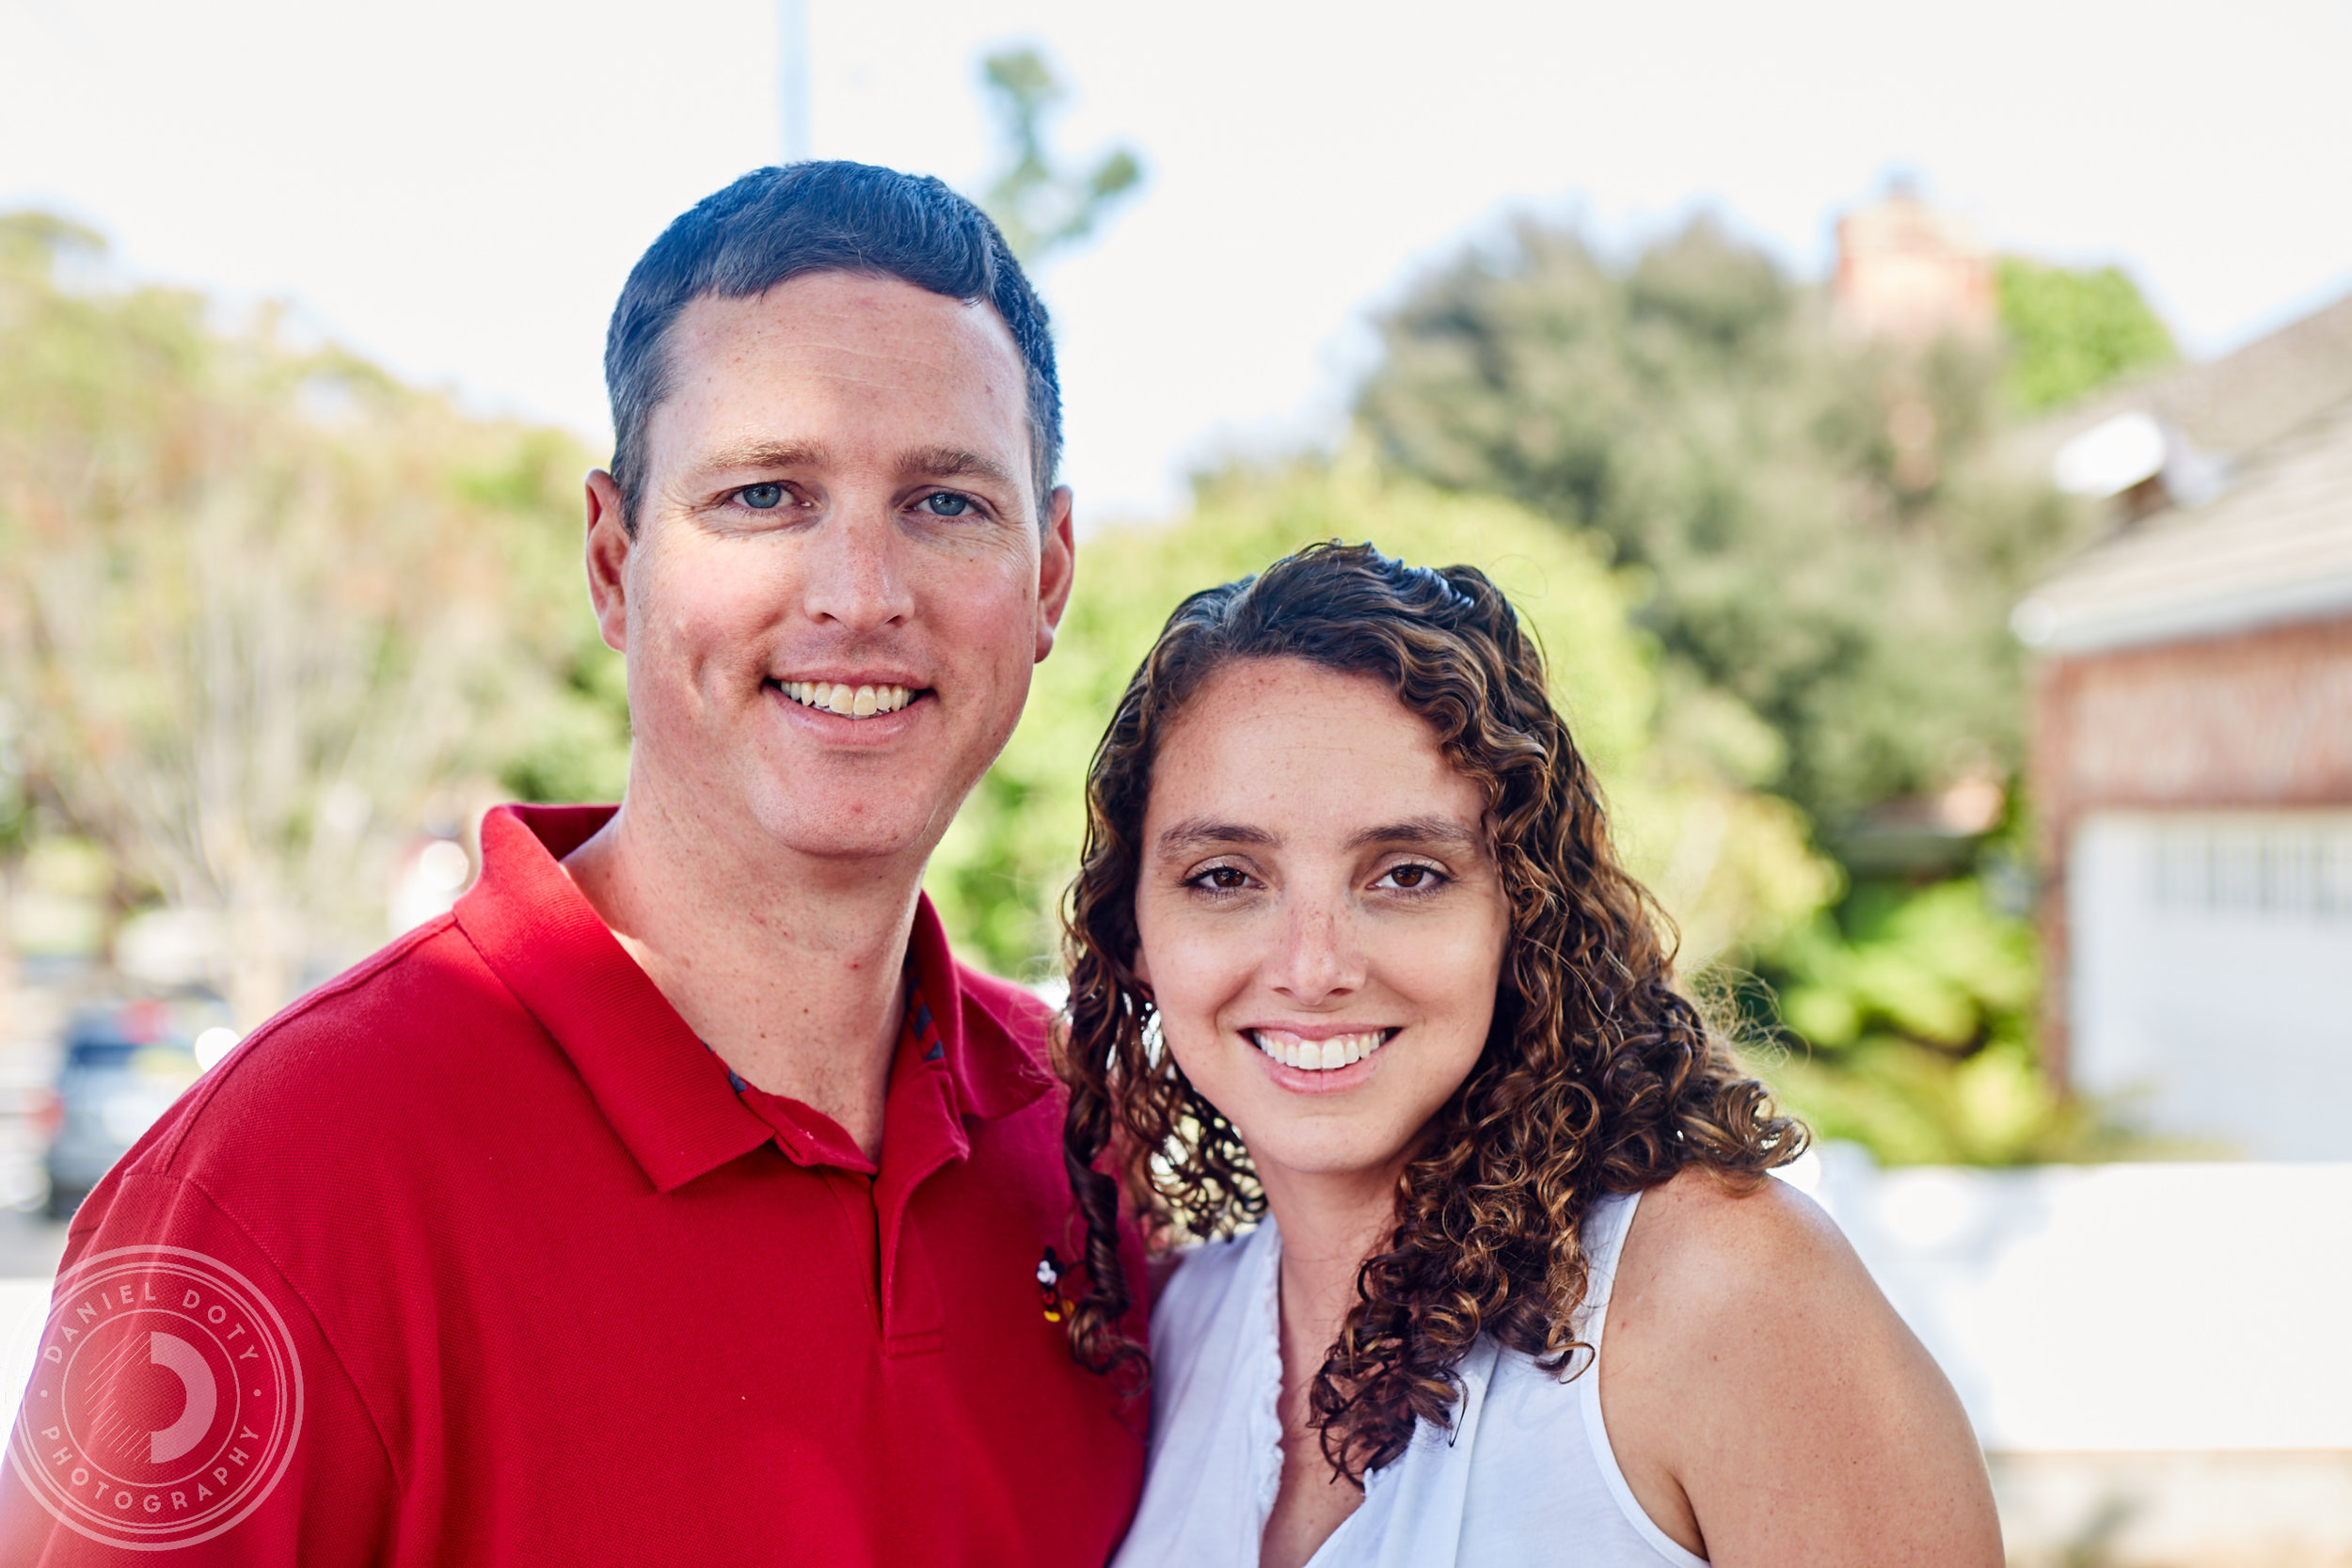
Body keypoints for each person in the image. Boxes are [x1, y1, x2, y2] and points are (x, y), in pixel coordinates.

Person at [1, 162, 1143, 1564]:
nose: (860, 591)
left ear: (1050, 575)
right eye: (766, 493)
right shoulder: (274, 1180)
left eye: (948, 502)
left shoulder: (1101, 1154)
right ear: (613, 563)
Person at [1056, 543, 2004, 1567]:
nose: (1311, 964)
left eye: (1407, 873)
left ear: (1523, 913)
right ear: (1134, 934)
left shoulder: (1722, 1297)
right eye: (1226, 874)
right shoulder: (1174, 1332)